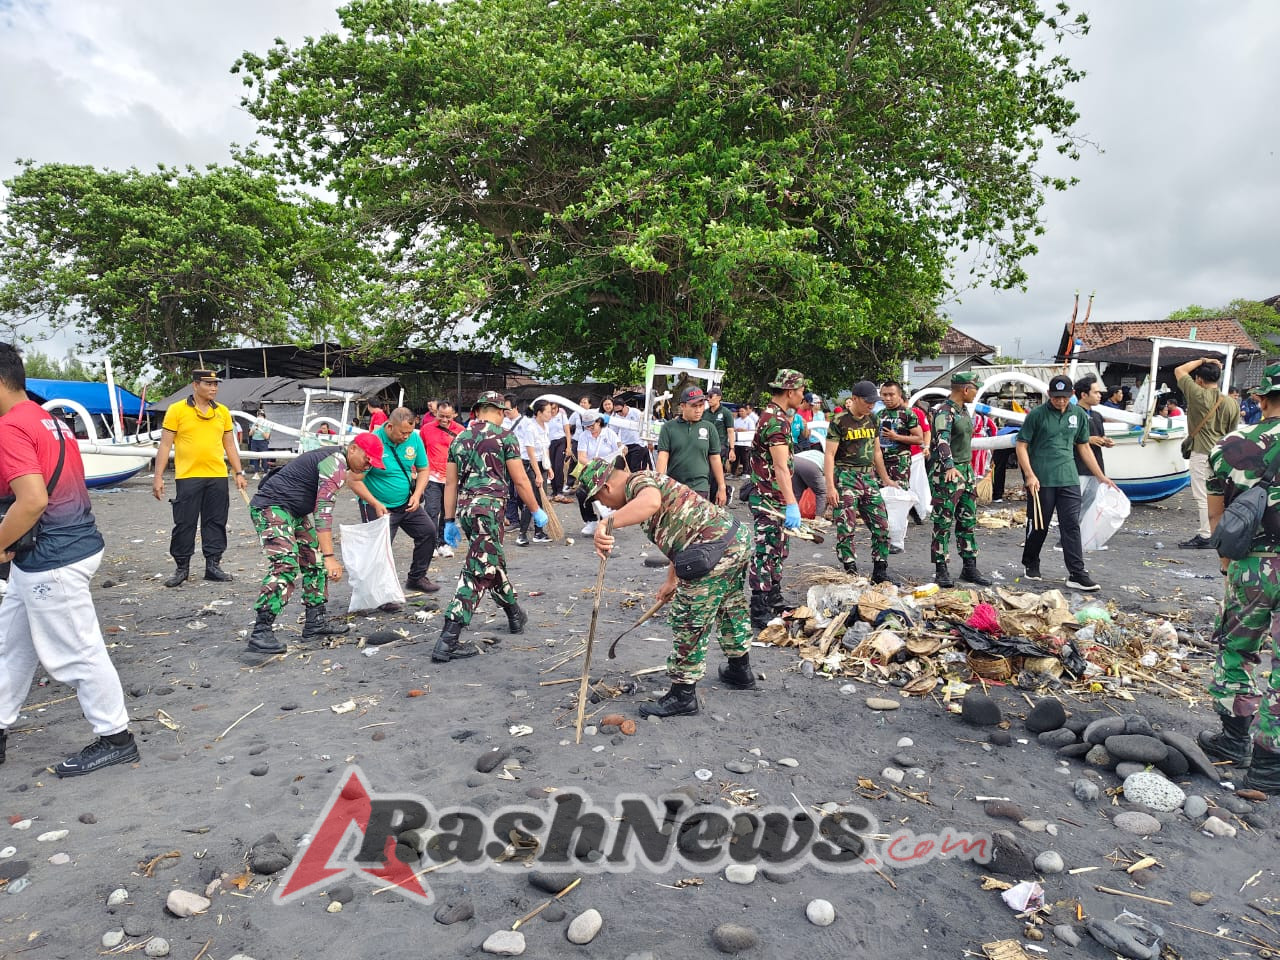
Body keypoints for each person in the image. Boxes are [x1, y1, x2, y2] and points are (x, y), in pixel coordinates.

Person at [0, 342, 139, 777]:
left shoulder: (8, 428)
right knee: (11, 646)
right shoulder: (51, 420)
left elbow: (33, 500)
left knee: (77, 651)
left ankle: (117, 737)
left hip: (53, 557)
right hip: (62, 546)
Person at [583, 455, 754, 718]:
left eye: (600, 501)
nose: (604, 506)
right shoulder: (646, 481)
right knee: (730, 606)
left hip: (713, 548)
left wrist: (607, 523)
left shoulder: (637, 483)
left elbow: (650, 502)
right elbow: (678, 535)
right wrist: (671, 580)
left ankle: (683, 695)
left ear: (605, 488)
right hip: (733, 539)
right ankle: (740, 669)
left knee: (689, 617)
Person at [1199, 363, 1280, 792]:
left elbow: (1218, 512)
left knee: (1238, 649)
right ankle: (1270, 765)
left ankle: (1234, 740)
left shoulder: (1232, 445)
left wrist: (1227, 565)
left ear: (1261, 400)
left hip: (1254, 561)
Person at [434, 391, 547, 663]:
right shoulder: (505, 437)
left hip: (466, 509)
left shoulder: (459, 438)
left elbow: (450, 484)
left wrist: (449, 520)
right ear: (497, 411)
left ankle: (514, 614)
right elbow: (520, 481)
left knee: (490, 561)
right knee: (478, 571)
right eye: (503, 412)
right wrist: (536, 510)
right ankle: (448, 640)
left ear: (476, 410)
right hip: (490, 509)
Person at [245, 434, 380, 654]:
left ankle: (315, 621)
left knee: (313, 560)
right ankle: (261, 631)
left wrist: (324, 557)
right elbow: (323, 512)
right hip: (272, 507)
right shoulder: (335, 462)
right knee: (285, 564)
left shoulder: (337, 460)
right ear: (353, 449)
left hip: (293, 511)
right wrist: (330, 557)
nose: (368, 465)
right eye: (367, 459)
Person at [1016, 374, 1118, 591]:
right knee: (1039, 525)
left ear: (1071, 395)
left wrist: (1100, 476)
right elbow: (1022, 445)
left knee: (1071, 524)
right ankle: (1031, 561)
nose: (1060, 401)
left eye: (1064, 397)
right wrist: (1029, 475)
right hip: (1041, 478)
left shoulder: (1078, 415)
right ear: (1048, 395)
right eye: (1055, 397)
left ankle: (1077, 573)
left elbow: (1083, 447)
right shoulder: (1037, 415)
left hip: (1068, 477)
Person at [152, 370, 248, 587]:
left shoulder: (222, 411)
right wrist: (158, 476)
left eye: (216, 384)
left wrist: (238, 472)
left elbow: (229, 444)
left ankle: (213, 565)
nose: (214, 388)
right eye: (209, 383)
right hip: (188, 476)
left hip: (216, 475)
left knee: (215, 521)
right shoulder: (177, 410)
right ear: (195, 385)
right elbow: (165, 445)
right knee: (185, 522)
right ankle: (182, 568)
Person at [345, 407, 440, 594]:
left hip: (406, 502)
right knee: (380, 549)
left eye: (409, 432)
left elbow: (423, 469)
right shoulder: (374, 441)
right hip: (378, 506)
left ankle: (417, 577)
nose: (406, 437)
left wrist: (416, 494)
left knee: (428, 532)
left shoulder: (413, 438)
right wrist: (375, 503)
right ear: (389, 426)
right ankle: (380, 592)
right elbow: (353, 480)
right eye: (402, 432)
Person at [748, 369, 806, 628]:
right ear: (790, 391)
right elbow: (781, 467)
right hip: (769, 497)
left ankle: (773, 597)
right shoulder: (775, 421)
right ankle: (759, 606)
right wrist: (793, 503)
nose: (803, 396)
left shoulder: (776, 416)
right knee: (766, 550)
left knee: (778, 549)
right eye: (801, 391)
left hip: (774, 496)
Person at [825, 380, 898, 582]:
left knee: (881, 525)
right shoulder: (840, 421)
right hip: (846, 477)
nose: (871, 405)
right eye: (867, 402)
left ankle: (880, 570)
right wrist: (830, 486)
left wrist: (885, 479)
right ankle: (850, 570)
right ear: (854, 399)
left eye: (874, 402)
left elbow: (876, 452)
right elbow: (829, 455)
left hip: (868, 477)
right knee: (846, 527)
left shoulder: (873, 420)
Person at [928, 371, 991, 587]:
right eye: (975, 389)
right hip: (948, 473)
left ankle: (969, 567)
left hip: (966, 471)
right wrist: (949, 465)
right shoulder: (944, 412)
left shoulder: (963, 411)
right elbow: (941, 440)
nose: (976, 394)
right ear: (965, 389)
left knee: (967, 520)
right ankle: (941, 569)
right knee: (943, 521)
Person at [1176, 356, 1240, 549]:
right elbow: (1232, 432)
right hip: (1222, 454)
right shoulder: (1231, 403)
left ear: (1200, 380)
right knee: (1219, 495)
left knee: (1202, 495)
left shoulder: (1197, 394)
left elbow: (1180, 370)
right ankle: (1218, 531)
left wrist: (1203, 359)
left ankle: (1206, 535)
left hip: (1202, 452)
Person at [657, 386, 725, 504]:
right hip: (674, 487)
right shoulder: (669, 428)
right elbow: (663, 457)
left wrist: (722, 486)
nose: (698, 410)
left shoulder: (709, 428)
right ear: (683, 406)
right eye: (694, 406)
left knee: (697, 522)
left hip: (700, 487)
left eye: (701, 405)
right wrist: (659, 485)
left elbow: (715, 458)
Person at [421, 400, 465, 559]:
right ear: (435, 414)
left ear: (454, 415)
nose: (445, 420)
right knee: (431, 511)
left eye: (448, 416)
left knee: (448, 512)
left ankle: (444, 544)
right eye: (441, 416)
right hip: (432, 476)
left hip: (452, 479)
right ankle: (430, 545)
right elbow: (421, 451)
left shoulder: (461, 431)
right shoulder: (426, 429)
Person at [574, 410, 623, 534]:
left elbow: (620, 447)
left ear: (599, 422)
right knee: (581, 493)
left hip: (609, 472)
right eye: (587, 426)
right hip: (592, 471)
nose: (590, 429)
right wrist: (592, 463)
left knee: (606, 494)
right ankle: (590, 520)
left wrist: (622, 449)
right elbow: (581, 457)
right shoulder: (584, 436)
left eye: (592, 426)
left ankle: (605, 522)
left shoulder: (609, 434)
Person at [1073, 375, 1114, 517]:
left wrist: (1105, 441)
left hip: (1096, 468)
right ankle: (1069, 538)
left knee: (1088, 508)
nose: (1099, 395)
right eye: (1095, 392)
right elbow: (1064, 438)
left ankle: (1081, 537)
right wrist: (1087, 440)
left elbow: (1099, 436)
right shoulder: (1073, 414)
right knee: (1074, 507)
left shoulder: (1097, 415)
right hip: (1078, 468)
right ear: (1084, 395)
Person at [515, 399, 554, 546]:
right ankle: (522, 534)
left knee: (541, 498)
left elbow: (545, 449)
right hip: (530, 465)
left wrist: (548, 467)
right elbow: (530, 453)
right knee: (531, 498)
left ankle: (539, 532)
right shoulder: (530, 428)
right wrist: (538, 474)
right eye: (548, 412)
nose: (550, 414)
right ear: (538, 413)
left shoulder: (546, 427)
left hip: (541, 463)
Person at [877, 381, 923, 485]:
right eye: (884, 395)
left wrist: (896, 437)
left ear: (899, 395)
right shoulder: (879, 414)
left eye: (891, 395)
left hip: (899, 463)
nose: (888, 398)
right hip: (881, 464)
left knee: (900, 495)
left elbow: (919, 439)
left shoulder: (907, 414)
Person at [703, 386, 736, 504]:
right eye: (707, 396)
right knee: (705, 473)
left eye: (711, 396)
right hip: (705, 446)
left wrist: (732, 449)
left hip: (720, 447)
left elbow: (730, 431)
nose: (708, 399)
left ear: (719, 398)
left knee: (714, 475)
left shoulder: (726, 413)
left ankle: (712, 502)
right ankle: (726, 489)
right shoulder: (705, 413)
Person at [547, 401, 574, 504]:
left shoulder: (562, 415)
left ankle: (559, 490)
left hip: (561, 441)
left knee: (558, 466)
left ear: (557, 407)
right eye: (551, 409)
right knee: (551, 467)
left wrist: (568, 447)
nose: (553, 411)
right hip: (550, 443)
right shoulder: (546, 417)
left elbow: (567, 432)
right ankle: (554, 491)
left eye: (554, 408)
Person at [613, 397, 647, 471]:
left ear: (625, 406)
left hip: (638, 443)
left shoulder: (635, 412)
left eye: (620, 410)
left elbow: (645, 425)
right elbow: (614, 432)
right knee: (627, 467)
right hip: (626, 445)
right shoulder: (616, 417)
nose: (619, 413)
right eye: (617, 411)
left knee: (635, 467)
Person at [733, 401, 756, 477]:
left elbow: (753, 430)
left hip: (746, 442)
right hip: (737, 442)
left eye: (742, 411)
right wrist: (736, 429)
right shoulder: (737, 420)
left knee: (745, 458)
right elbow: (733, 428)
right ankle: (733, 473)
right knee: (735, 458)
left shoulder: (750, 420)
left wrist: (744, 430)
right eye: (740, 411)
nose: (741, 413)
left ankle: (746, 472)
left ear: (746, 411)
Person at [247, 408, 272, 477]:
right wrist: (253, 429)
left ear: (264, 417)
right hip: (254, 441)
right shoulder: (255, 423)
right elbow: (250, 434)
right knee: (255, 457)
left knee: (264, 458)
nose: (259, 417)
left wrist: (260, 429)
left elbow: (266, 437)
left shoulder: (267, 424)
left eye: (261, 416)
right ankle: (256, 473)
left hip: (263, 442)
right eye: (258, 416)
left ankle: (265, 472)